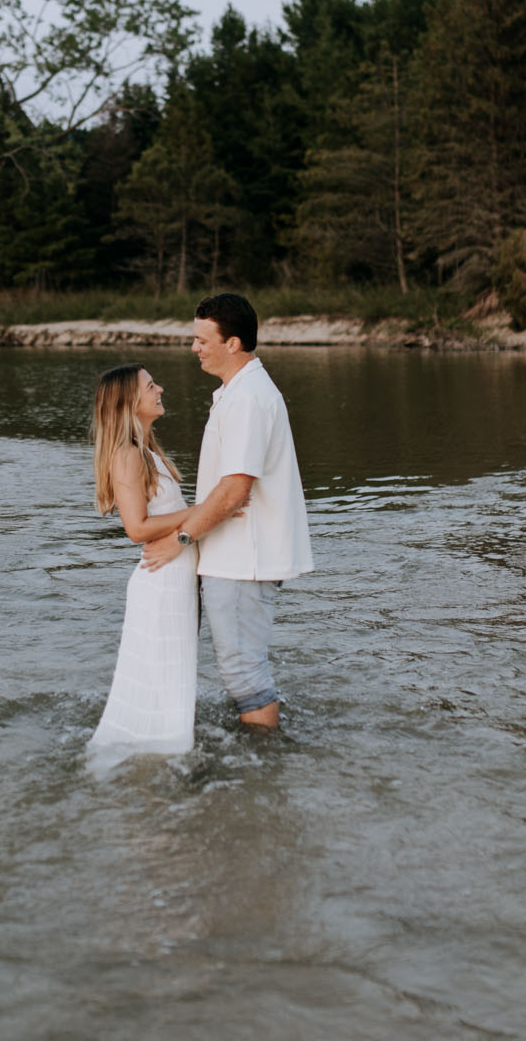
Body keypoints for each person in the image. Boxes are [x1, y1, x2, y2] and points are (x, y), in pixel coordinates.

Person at [142, 293, 312, 730]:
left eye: (202, 339)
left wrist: (179, 540)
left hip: (244, 559)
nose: (194, 347)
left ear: (232, 343)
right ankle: (256, 748)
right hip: (235, 556)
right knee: (240, 666)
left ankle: (263, 765)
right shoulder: (236, 392)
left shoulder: (248, 399)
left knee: (242, 669)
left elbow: (235, 488)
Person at [86, 363, 201, 763]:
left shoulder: (147, 450)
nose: (160, 389)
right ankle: (161, 761)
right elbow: (137, 528)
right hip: (160, 582)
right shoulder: (128, 454)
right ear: (129, 402)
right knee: (162, 679)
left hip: (174, 579)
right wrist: (202, 511)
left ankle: (166, 755)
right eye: (151, 386)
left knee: (170, 679)